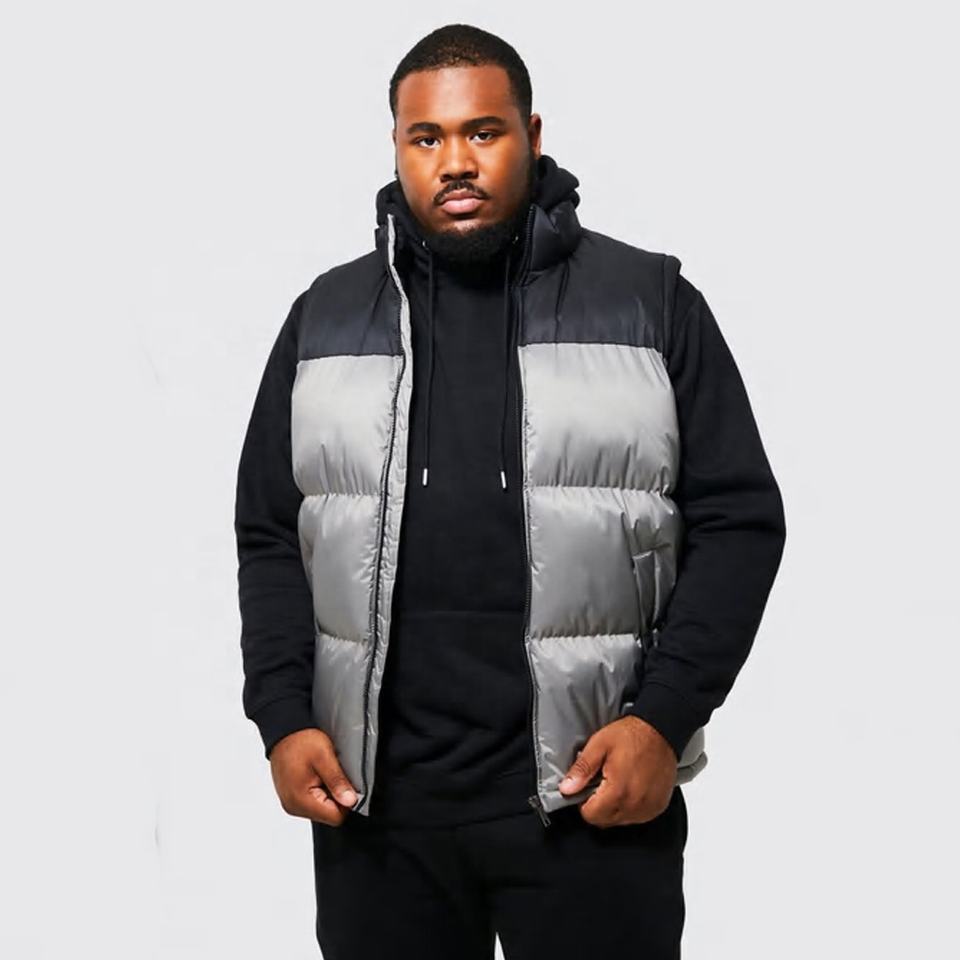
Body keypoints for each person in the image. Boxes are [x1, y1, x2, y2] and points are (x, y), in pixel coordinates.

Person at [234, 22, 786, 959]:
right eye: (427, 138)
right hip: (379, 814)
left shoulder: (651, 303)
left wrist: (662, 721)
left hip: (589, 801)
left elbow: (739, 523)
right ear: (398, 147)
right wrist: (284, 719)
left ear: (530, 134)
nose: (456, 161)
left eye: (482, 132)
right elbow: (270, 534)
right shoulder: (324, 319)